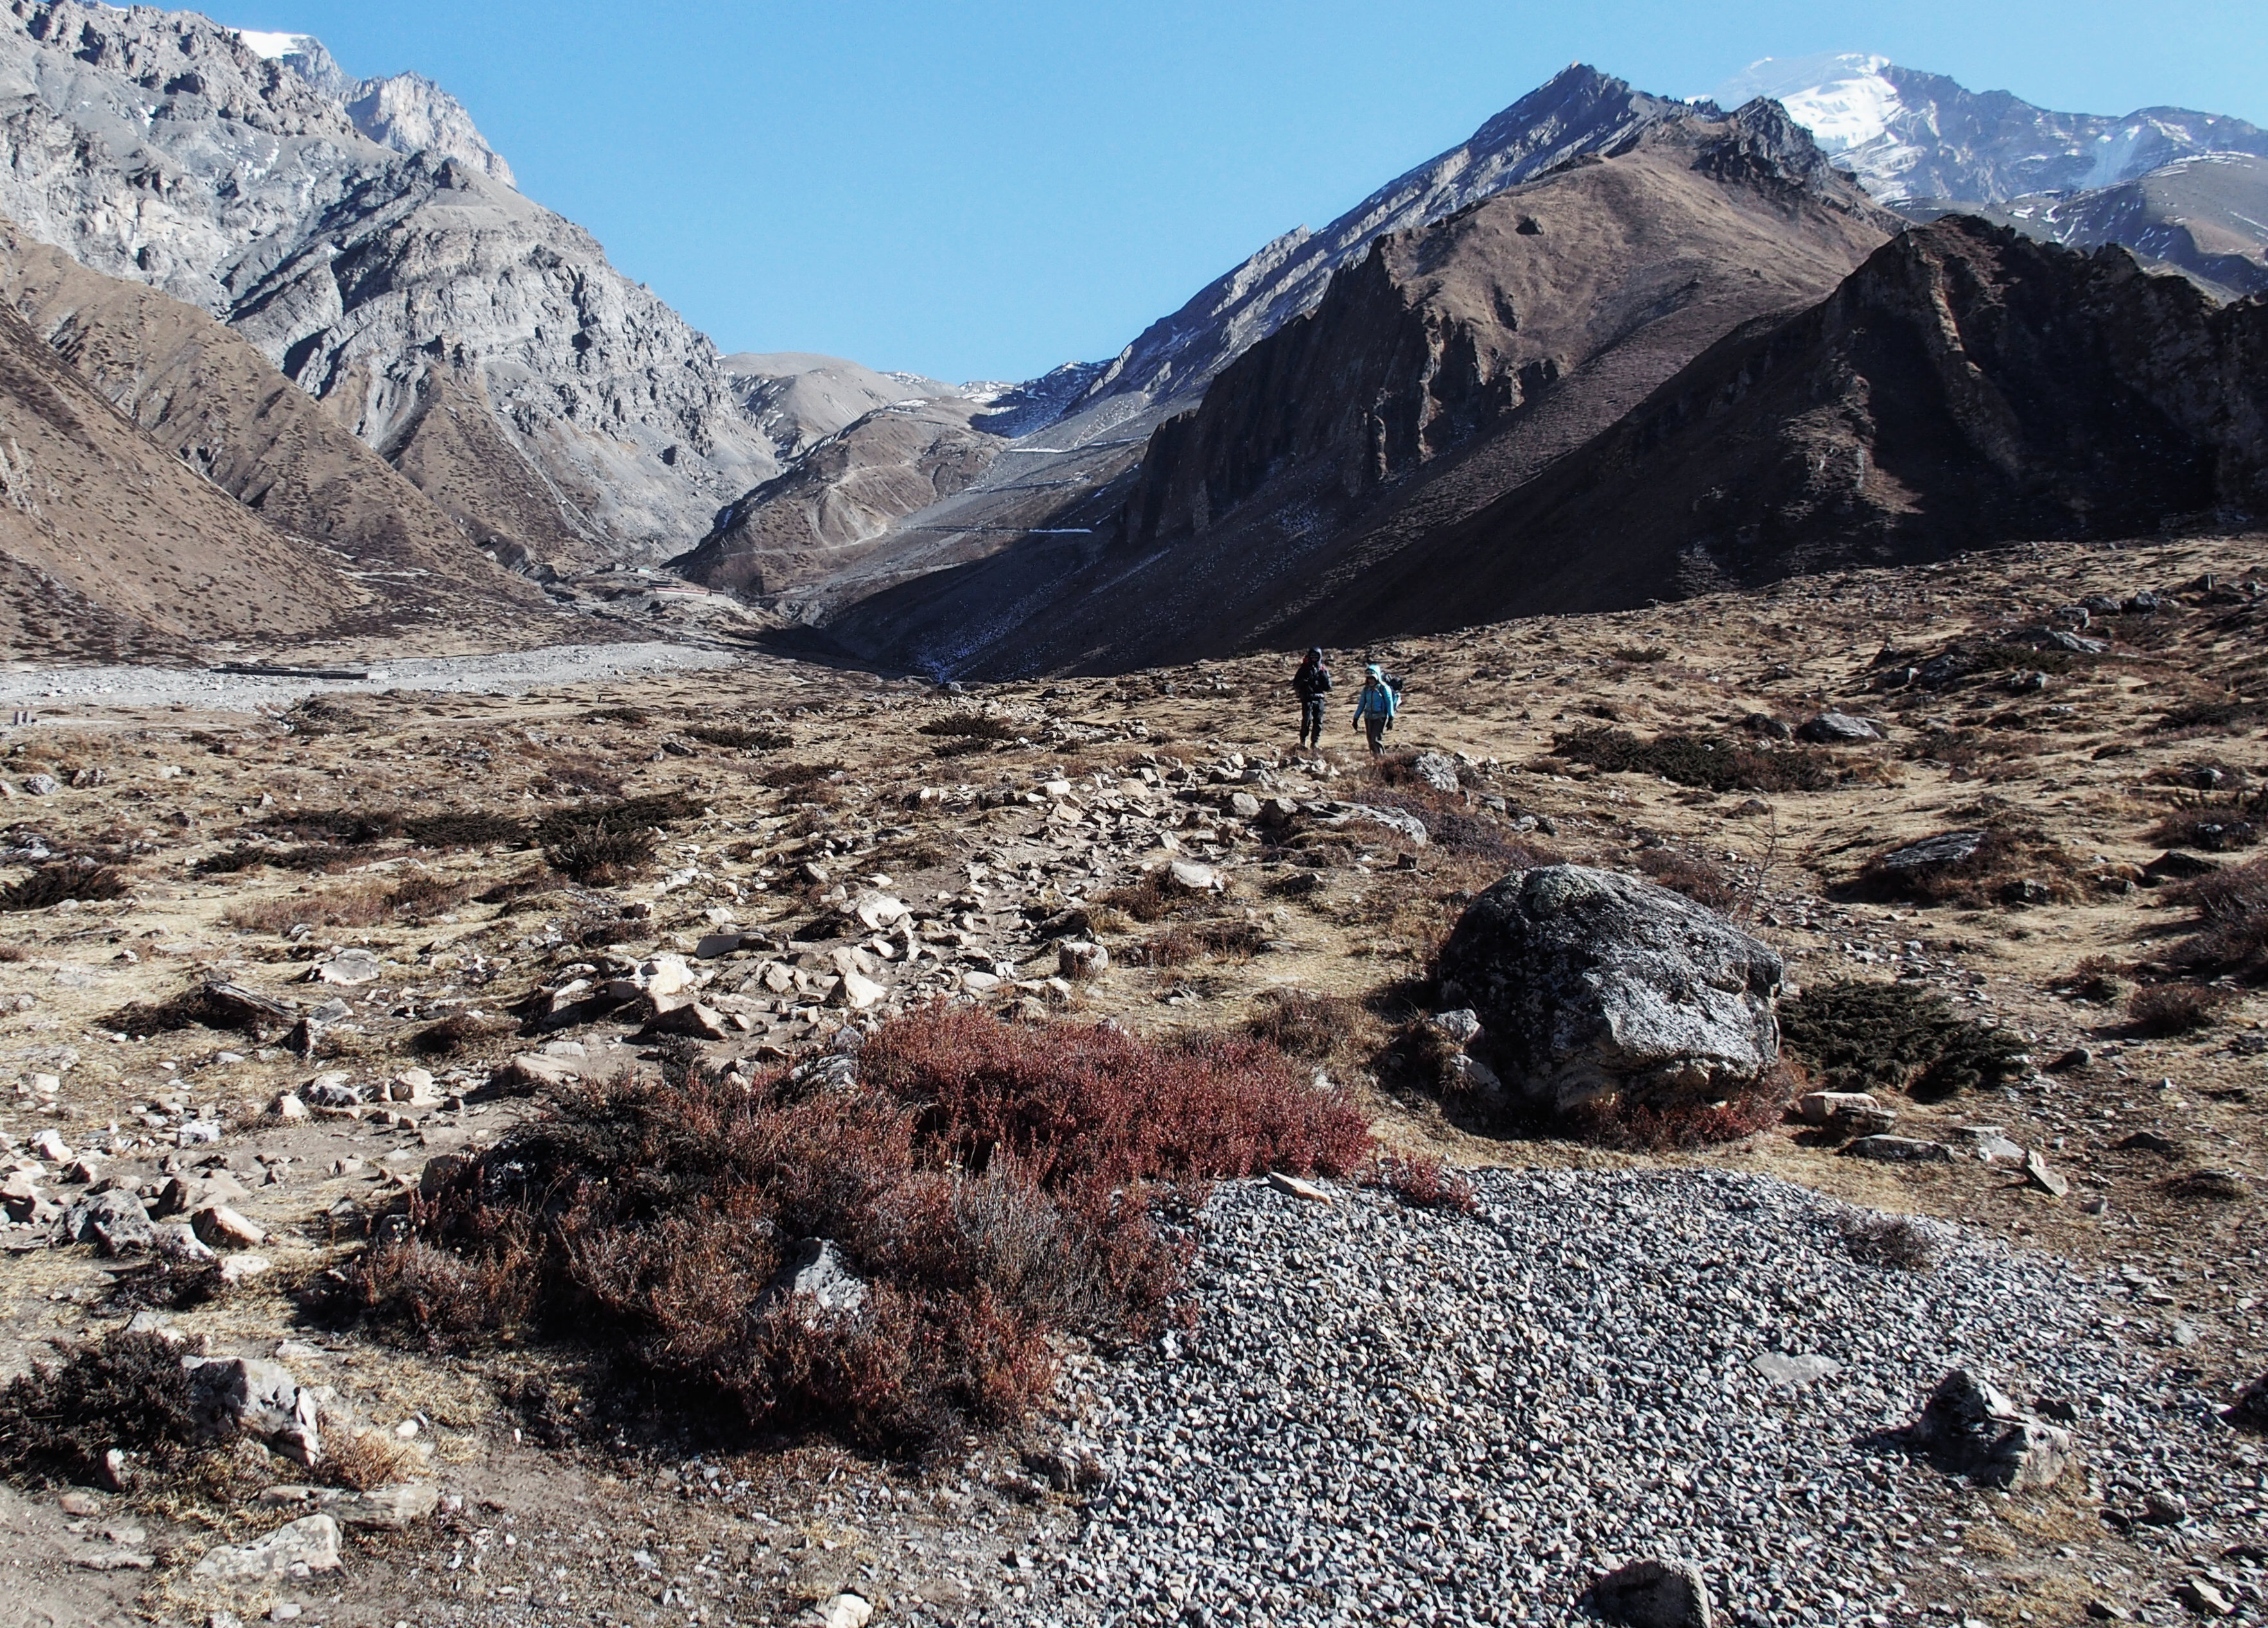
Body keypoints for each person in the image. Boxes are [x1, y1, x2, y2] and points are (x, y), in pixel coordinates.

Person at [1352, 663, 1399, 754]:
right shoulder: (1366, 690)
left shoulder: (1384, 688)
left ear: (1377, 677)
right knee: (1370, 741)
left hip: (1380, 717)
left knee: (1376, 739)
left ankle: (1381, 760)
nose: (1370, 680)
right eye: (1368, 678)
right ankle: (1375, 759)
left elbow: (1389, 703)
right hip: (1368, 717)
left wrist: (1391, 719)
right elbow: (1361, 705)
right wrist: (1356, 718)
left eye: (1372, 678)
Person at [1292, 647, 1333, 749]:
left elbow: (1328, 687)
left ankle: (1315, 742)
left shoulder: (1323, 670)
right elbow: (1296, 684)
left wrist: (1324, 676)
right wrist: (1304, 682)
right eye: (1312, 656)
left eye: (1316, 657)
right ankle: (1303, 741)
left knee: (1318, 721)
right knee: (1307, 720)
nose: (1314, 659)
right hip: (1307, 698)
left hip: (1319, 698)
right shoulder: (1303, 669)